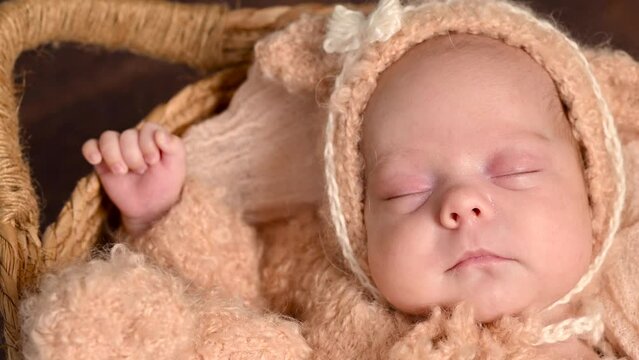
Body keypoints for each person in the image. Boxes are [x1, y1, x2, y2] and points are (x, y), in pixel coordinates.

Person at [21, 0, 639, 358]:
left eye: (517, 171)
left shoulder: (618, 279)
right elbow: (232, 283)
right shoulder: (330, 279)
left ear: (594, 188)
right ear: (355, 217)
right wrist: (165, 211)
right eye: (405, 190)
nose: (463, 203)